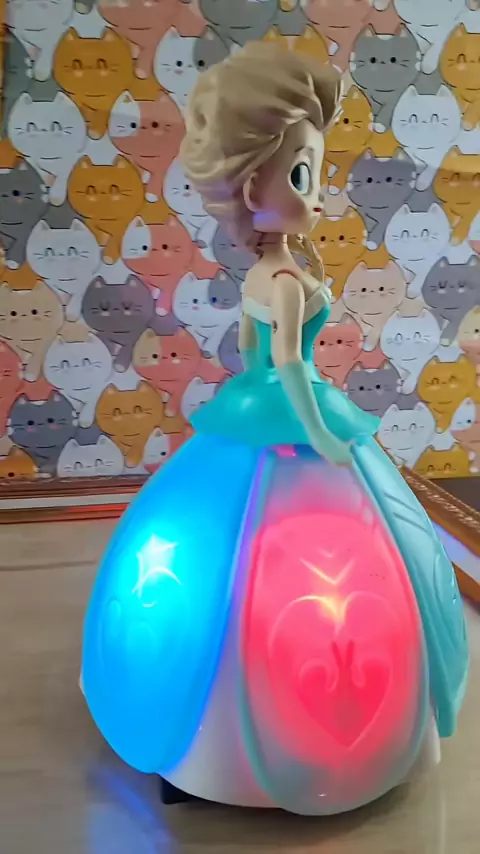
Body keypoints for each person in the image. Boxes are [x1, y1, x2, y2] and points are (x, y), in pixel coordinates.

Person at [82, 43, 468, 815]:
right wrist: (320, 434)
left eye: (312, 175)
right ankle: (244, 739)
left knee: (358, 562)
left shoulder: (273, 269)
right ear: (251, 186)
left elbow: (259, 353)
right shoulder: (284, 280)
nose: (314, 197)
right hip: (295, 413)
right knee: (242, 569)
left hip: (264, 412)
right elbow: (288, 363)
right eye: (299, 177)